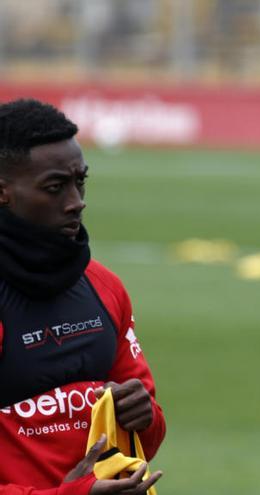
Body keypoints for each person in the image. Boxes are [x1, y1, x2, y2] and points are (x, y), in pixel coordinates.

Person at [0, 99, 164, 494]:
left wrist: (143, 415)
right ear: (3, 192)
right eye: (55, 187)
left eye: (80, 182)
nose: (76, 202)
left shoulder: (103, 286)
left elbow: (147, 439)